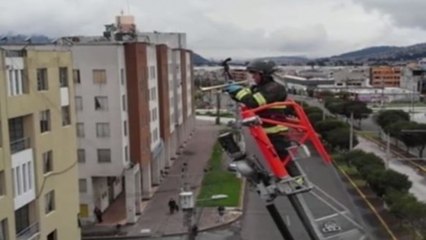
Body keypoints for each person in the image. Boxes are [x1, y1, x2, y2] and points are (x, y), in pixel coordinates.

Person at [224, 59, 302, 180]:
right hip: (265, 128)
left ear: (263, 74)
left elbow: (253, 102)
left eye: (255, 74)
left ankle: (297, 180)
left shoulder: (274, 88)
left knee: (283, 156)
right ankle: (284, 177)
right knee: (275, 158)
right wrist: (233, 92)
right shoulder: (260, 87)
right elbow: (245, 99)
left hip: (275, 130)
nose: (253, 77)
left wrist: (238, 91)